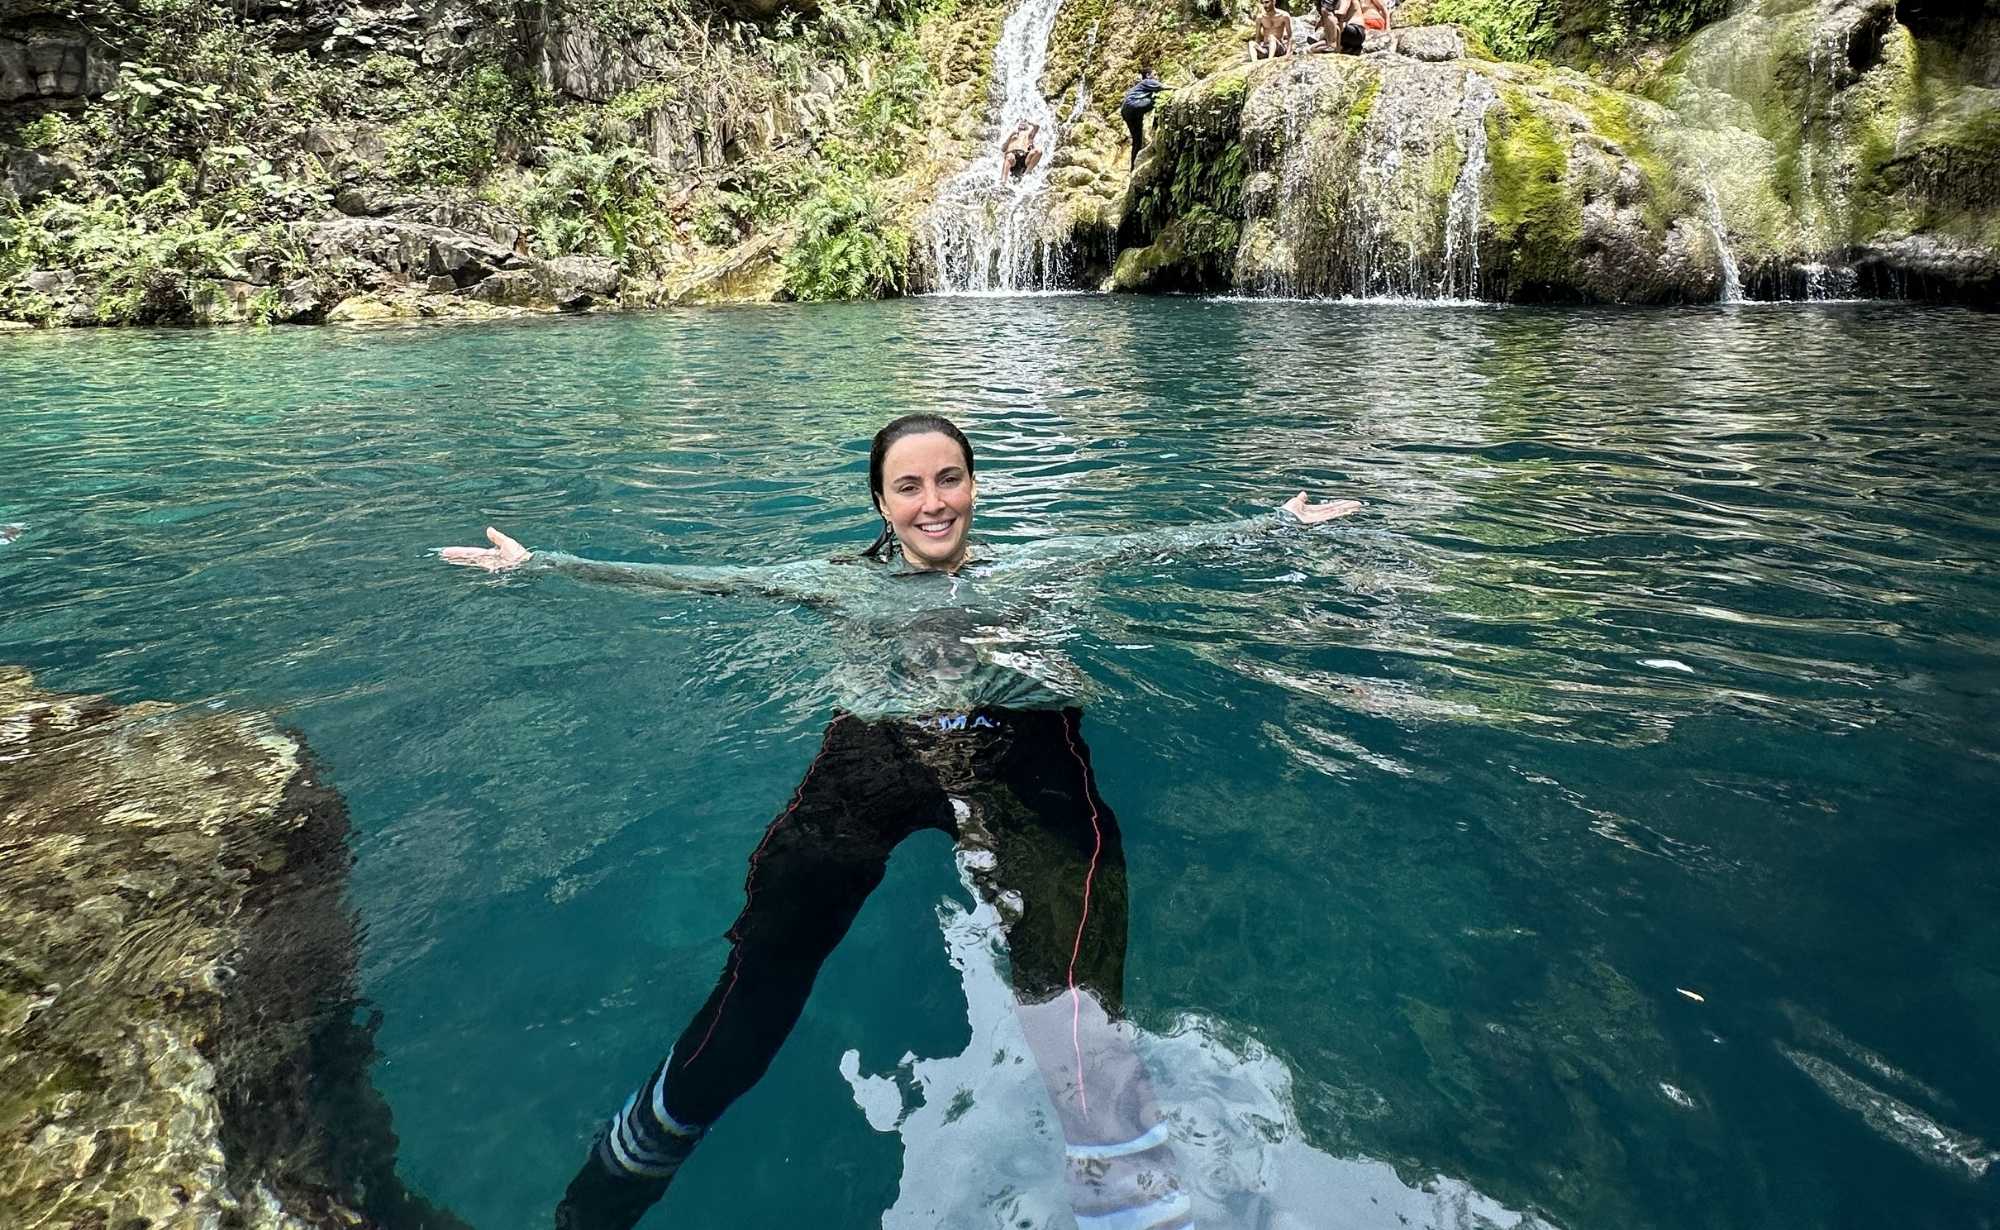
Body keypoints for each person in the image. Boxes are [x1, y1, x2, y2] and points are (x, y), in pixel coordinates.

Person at [439, 414, 1362, 1230]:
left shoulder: (1032, 567)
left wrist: (1276, 525)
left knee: (1072, 975)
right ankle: (645, 1145)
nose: (933, 502)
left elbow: (1148, 549)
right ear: (880, 503)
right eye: (910, 486)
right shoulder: (833, 580)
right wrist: (545, 564)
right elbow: (704, 581)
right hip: (875, 754)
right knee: (771, 954)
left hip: (1019, 749)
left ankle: (1124, 1179)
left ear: (976, 487)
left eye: (949, 479)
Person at [1119, 66, 1171, 170]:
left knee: (1137, 141)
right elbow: (1164, 87)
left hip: (1126, 111)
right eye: (1155, 74)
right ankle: (1156, 125)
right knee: (1158, 98)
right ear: (1147, 75)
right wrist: (1180, 89)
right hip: (1133, 105)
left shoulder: (1140, 87)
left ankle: (1133, 168)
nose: (1157, 77)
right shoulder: (1147, 81)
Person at [998, 119, 1045, 184]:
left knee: (1038, 151)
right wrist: (1010, 136)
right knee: (1009, 156)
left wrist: (1029, 122)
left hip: (1025, 159)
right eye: (1021, 123)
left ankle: (1026, 174)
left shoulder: (1028, 135)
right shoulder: (1012, 136)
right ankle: (1003, 181)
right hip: (1013, 159)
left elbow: (1037, 126)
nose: (1022, 123)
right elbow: (1003, 149)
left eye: (1024, 123)